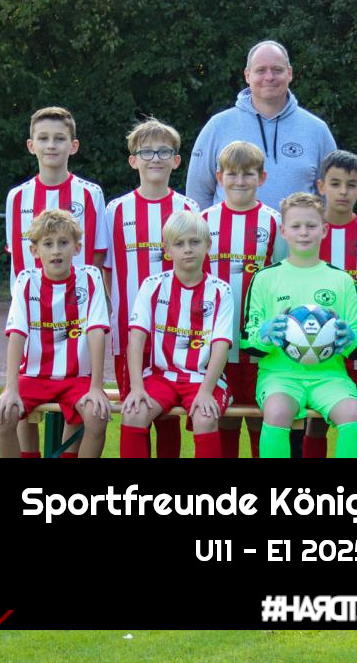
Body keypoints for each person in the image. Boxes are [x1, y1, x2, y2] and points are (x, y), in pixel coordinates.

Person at [4, 106, 107, 458]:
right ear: (31, 145)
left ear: (73, 146)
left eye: (59, 138)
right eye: (44, 138)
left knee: (80, 405)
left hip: (77, 317)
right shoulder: (17, 197)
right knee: (21, 409)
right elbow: (18, 260)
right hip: (34, 316)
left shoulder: (90, 194)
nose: (51, 145)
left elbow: (95, 256)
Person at [242, 192, 357, 458]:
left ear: (324, 230)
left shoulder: (342, 280)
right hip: (279, 375)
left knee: (353, 415)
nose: (303, 232)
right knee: (277, 413)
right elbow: (247, 341)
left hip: (329, 376)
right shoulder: (265, 278)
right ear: (283, 231)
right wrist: (265, 333)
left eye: (311, 226)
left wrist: (349, 337)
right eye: (296, 226)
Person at [103, 118, 198, 458]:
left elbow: (196, 271)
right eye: (146, 152)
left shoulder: (188, 209)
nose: (155, 158)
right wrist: (122, 312)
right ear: (133, 160)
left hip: (176, 332)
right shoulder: (115, 210)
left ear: (176, 160)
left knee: (168, 416)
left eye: (163, 152)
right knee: (136, 407)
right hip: (129, 332)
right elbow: (107, 271)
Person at [0, 210, 112, 458]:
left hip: (77, 378)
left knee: (97, 416)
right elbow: (16, 334)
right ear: (35, 251)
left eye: (63, 243)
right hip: (34, 376)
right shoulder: (26, 281)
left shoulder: (90, 278)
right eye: (48, 244)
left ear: (77, 248)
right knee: (4, 416)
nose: (56, 251)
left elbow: (96, 331)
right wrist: (10, 388)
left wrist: (96, 387)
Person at [119, 211, 232, 459]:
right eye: (179, 243)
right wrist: (136, 388)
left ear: (208, 245)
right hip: (161, 376)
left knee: (205, 417)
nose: (187, 249)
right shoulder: (152, 285)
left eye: (195, 242)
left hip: (203, 378)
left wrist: (206, 391)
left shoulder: (221, 291)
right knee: (133, 413)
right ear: (167, 250)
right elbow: (136, 340)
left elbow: (221, 346)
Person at [200, 141, 286, 458]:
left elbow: (282, 279)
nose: (239, 181)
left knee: (260, 419)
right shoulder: (203, 221)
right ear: (219, 177)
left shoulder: (273, 222)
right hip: (215, 343)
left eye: (248, 174)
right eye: (232, 174)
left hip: (260, 346)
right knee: (223, 418)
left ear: (262, 177)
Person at [186, 40, 337, 210]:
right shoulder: (217, 126)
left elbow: (331, 197)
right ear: (247, 75)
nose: (269, 77)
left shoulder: (317, 130)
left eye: (277, 70)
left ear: (290, 74)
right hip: (228, 228)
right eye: (261, 70)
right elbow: (197, 195)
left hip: (299, 228)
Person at [304, 150, 357, 458]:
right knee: (315, 422)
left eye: (350, 185)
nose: (343, 192)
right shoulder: (309, 232)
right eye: (335, 184)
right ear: (321, 186)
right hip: (313, 344)